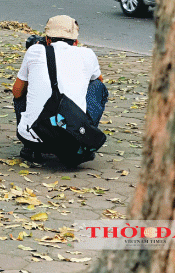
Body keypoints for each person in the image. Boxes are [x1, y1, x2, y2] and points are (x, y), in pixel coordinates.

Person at [11, 15, 108, 163]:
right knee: (98, 88)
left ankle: (30, 147)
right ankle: (83, 137)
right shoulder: (88, 54)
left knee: (22, 89)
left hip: (33, 139)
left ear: (48, 39)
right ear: (75, 41)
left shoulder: (34, 51)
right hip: (71, 141)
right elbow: (98, 82)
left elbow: (17, 92)